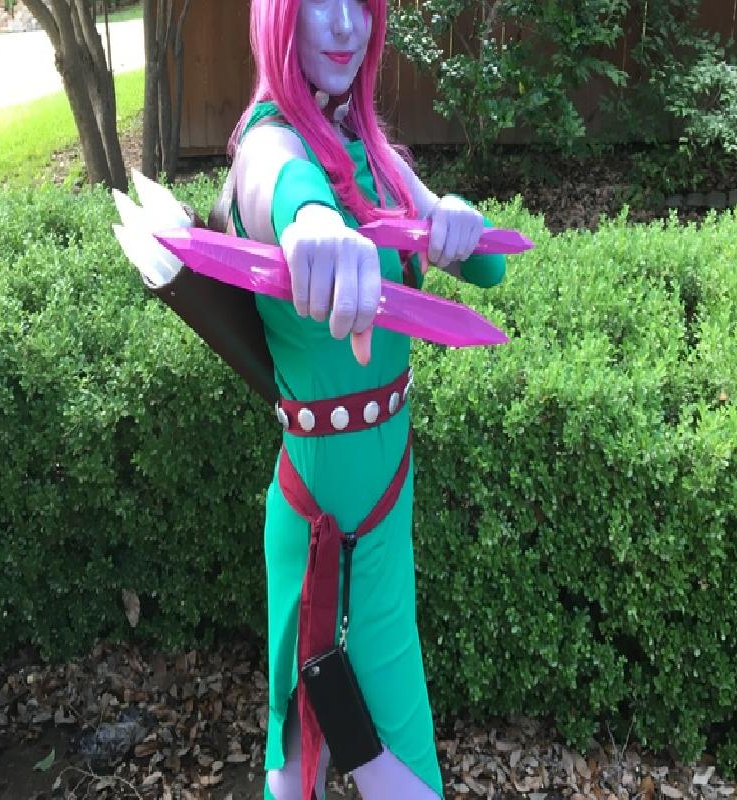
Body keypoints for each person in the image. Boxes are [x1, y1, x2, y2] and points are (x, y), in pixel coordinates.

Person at [227, 1, 507, 797]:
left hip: (389, 506)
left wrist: (455, 222)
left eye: (361, 2)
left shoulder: (374, 153)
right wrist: (314, 222)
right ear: (279, 17)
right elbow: (280, 186)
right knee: (296, 759)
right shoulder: (268, 143)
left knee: (404, 759)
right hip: (315, 515)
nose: (348, 27)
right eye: (320, 2)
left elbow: (489, 270)